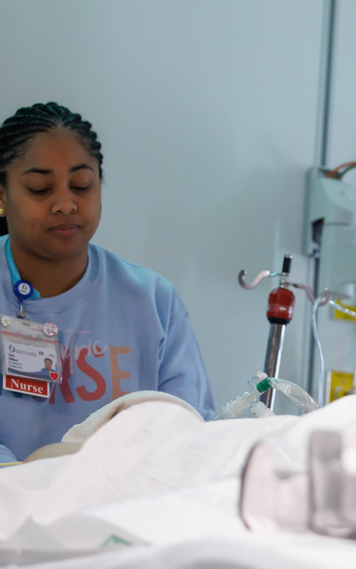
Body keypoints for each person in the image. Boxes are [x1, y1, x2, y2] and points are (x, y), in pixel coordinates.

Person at [0, 102, 215, 465]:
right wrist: (28, 479)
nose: (65, 203)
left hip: (124, 496)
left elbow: (189, 435)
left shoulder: (154, 302)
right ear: (2, 196)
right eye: (40, 188)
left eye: (81, 185)